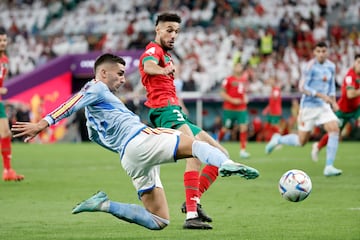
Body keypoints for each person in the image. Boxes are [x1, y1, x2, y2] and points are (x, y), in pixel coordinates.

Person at [11, 53, 259, 231]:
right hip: (139, 140)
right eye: (119, 74)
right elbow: (72, 102)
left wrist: (125, 146)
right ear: (103, 73)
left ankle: (104, 204)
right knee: (193, 144)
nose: (122, 79)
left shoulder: (94, 115)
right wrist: (42, 124)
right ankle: (226, 163)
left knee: (159, 220)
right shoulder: (97, 87)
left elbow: (98, 139)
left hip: (129, 158)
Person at [139, 12, 233, 229]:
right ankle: (191, 216)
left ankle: (193, 200)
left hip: (174, 110)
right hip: (163, 110)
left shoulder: (168, 56)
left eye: (177, 32)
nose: (173, 35)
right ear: (158, 29)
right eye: (169, 30)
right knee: (196, 150)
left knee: (220, 155)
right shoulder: (154, 50)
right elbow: (148, 65)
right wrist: (163, 69)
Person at [265, 41, 342, 177]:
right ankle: (278, 139)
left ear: (327, 52)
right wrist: (319, 95)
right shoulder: (310, 66)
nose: (321, 54)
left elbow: (331, 86)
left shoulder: (331, 66)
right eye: (318, 51)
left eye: (324, 51)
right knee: (301, 141)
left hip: (323, 106)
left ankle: (329, 166)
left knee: (334, 128)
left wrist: (333, 102)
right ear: (314, 52)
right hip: (309, 106)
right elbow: (302, 87)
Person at [311, 53, 360, 161]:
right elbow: (350, 94)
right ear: (354, 63)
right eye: (358, 62)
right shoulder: (349, 77)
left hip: (357, 108)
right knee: (334, 133)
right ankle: (318, 147)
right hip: (344, 110)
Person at [0, 27, 24, 181]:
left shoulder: (5, 61)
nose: (2, 43)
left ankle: (8, 171)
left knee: (6, 134)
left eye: (4, 40)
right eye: (0, 41)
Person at [218, 62, 251, 158]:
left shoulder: (244, 80)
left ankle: (243, 150)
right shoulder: (228, 79)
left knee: (243, 127)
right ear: (234, 68)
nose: (239, 68)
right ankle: (216, 143)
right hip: (229, 108)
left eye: (240, 66)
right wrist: (232, 100)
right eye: (237, 66)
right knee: (225, 128)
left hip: (241, 108)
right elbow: (222, 93)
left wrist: (245, 97)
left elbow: (243, 92)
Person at [262, 76, 283, 141]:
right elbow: (271, 102)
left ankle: (280, 140)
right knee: (268, 126)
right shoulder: (273, 89)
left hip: (276, 112)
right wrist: (267, 109)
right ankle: (271, 139)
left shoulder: (276, 89)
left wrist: (267, 109)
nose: (270, 81)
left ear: (274, 81)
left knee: (275, 126)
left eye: (271, 80)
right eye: (269, 80)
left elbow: (275, 98)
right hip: (271, 112)